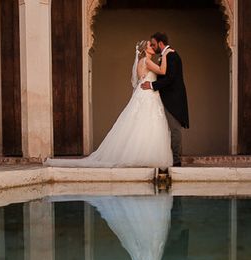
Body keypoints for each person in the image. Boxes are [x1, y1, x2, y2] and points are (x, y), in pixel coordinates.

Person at [46, 40, 174, 168]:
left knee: (138, 123)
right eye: (150, 46)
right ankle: (144, 156)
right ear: (145, 50)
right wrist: (166, 53)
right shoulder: (146, 61)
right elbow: (162, 71)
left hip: (142, 94)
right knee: (147, 123)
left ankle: (140, 155)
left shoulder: (141, 62)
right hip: (147, 95)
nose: (153, 47)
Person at [141, 32, 189, 167]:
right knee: (167, 129)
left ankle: (176, 160)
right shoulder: (165, 56)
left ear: (161, 43)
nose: (152, 46)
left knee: (174, 129)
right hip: (166, 99)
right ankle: (171, 158)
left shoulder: (172, 55)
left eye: (154, 44)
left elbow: (170, 78)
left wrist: (151, 85)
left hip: (173, 100)